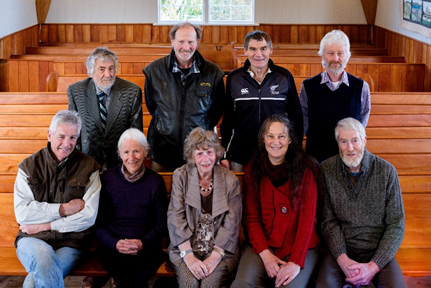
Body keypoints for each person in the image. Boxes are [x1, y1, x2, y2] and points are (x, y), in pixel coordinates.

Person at [231, 113, 320, 288]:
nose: (275, 142)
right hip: (264, 244)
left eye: (281, 136)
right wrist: (265, 254)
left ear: (290, 140)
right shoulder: (253, 169)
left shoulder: (306, 170)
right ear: (263, 139)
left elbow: (307, 222)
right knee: (242, 284)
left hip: (300, 246)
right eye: (270, 136)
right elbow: (251, 217)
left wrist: (295, 262)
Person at [14, 110, 101, 288]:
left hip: (72, 243)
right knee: (43, 256)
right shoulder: (29, 166)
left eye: (73, 137)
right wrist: (62, 210)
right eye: (61, 136)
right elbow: (22, 214)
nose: (67, 144)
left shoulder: (89, 167)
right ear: (49, 134)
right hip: (31, 239)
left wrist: (45, 225)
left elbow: (88, 218)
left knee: (32, 282)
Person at [316, 117, 406, 287]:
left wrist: (374, 266)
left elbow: (396, 224)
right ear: (337, 143)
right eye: (344, 141)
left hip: (377, 250)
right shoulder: (326, 170)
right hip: (341, 250)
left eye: (355, 140)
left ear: (364, 140)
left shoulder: (386, 171)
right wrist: (342, 259)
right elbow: (327, 221)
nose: (350, 148)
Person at [143, 21, 225, 172]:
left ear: (197, 42)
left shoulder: (213, 73)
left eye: (191, 42)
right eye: (181, 41)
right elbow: (153, 106)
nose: (186, 47)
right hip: (163, 152)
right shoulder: (154, 71)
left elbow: (216, 112)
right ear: (172, 41)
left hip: (198, 153)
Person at [167, 127, 242, 288]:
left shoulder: (230, 180)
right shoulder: (181, 176)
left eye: (209, 152)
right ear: (191, 156)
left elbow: (232, 224)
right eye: (199, 153)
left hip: (221, 249)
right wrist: (188, 256)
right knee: (189, 284)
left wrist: (214, 257)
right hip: (186, 246)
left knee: (208, 284)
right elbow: (175, 217)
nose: (205, 159)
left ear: (216, 153)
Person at [94, 128, 168, 288]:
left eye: (136, 151)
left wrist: (142, 243)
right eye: (126, 152)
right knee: (129, 274)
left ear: (146, 152)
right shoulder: (107, 179)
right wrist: (115, 243)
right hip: (113, 248)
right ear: (120, 154)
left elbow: (162, 224)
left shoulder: (155, 182)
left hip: (146, 248)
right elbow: (98, 223)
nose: (131, 157)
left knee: (136, 273)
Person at [220, 30, 303, 172]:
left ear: (270, 49)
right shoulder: (234, 78)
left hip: (277, 156)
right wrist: (225, 155)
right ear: (245, 50)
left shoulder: (284, 77)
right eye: (253, 49)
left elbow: (296, 119)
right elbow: (228, 121)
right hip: (241, 156)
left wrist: (294, 152)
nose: (258, 54)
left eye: (263, 49)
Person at [299, 30, 371, 163]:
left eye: (340, 53)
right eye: (330, 53)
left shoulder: (361, 87)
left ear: (347, 56)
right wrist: (311, 135)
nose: (335, 59)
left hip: (348, 155)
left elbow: (363, 117)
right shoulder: (308, 86)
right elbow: (303, 116)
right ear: (323, 56)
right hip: (316, 154)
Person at [68, 46, 143, 171]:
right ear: (91, 72)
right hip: (87, 161)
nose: (108, 74)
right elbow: (74, 131)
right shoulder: (76, 91)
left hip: (120, 162)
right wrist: (78, 164)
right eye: (101, 69)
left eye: (111, 68)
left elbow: (135, 133)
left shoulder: (132, 91)